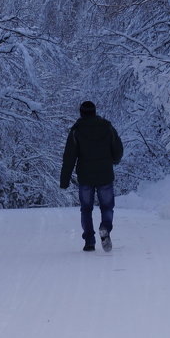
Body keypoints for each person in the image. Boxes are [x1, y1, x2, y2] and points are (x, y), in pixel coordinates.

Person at [59, 101, 123, 251]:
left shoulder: (76, 131)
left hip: (85, 177)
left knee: (86, 209)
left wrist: (64, 180)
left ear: (81, 113)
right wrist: (114, 160)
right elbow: (118, 148)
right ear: (94, 112)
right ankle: (105, 227)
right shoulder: (107, 127)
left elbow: (69, 157)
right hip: (105, 174)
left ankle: (89, 240)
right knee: (107, 207)